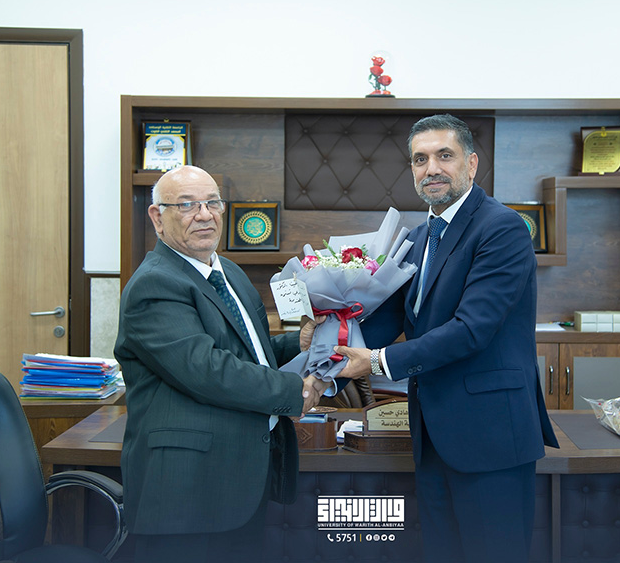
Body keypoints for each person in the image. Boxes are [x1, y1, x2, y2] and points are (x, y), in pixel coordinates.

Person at [337, 114, 560, 563]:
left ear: (471, 164)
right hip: (433, 433)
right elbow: (392, 316)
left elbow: (471, 329)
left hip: (491, 435)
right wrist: (330, 339)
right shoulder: (420, 237)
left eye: (445, 155)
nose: (432, 168)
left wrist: (376, 361)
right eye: (420, 159)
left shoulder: (502, 227)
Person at [114, 165, 328, 562]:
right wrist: (294, 391)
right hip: (187, 488)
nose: (204, 215)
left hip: (238, 477)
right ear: (157, 217)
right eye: (187, 205)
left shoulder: (227, 271)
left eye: (212, 203)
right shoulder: (155, 284)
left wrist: (296, 343)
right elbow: (206, 369)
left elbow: (247, 351)